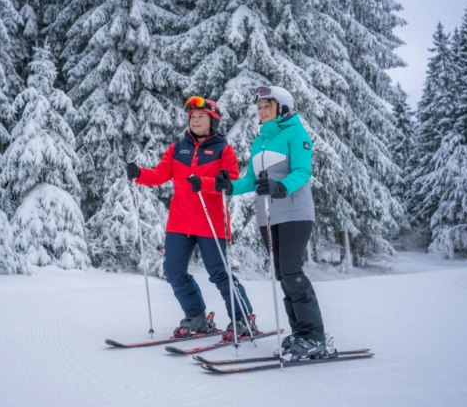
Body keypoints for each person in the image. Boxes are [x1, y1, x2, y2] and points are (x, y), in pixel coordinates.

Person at [214, 85, 335, 360]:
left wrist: (280, 187)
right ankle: (301, 334)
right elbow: (251, 181)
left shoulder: (296, 133)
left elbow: (303, 172)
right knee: (282, 274)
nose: (261, 109)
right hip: (268, 216)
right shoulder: (260, 141)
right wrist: (230, 186)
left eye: (267, 105)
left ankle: (314, 336)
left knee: (292, 271)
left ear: (282, 106)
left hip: (295, 212)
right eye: (259, 106)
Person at [127, 95, 256, 340]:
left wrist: (205, 183)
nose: (195, 121)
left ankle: (242, 318)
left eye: (201, 117)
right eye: (192, 117)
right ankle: (196, 316)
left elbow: (231, 181)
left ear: (213, 121)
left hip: (211, 221)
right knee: (173, 270)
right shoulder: (178, 148)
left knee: (219, 272)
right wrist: (139, 174)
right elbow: (158, 174)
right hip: (179, 222)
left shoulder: (223, 150)